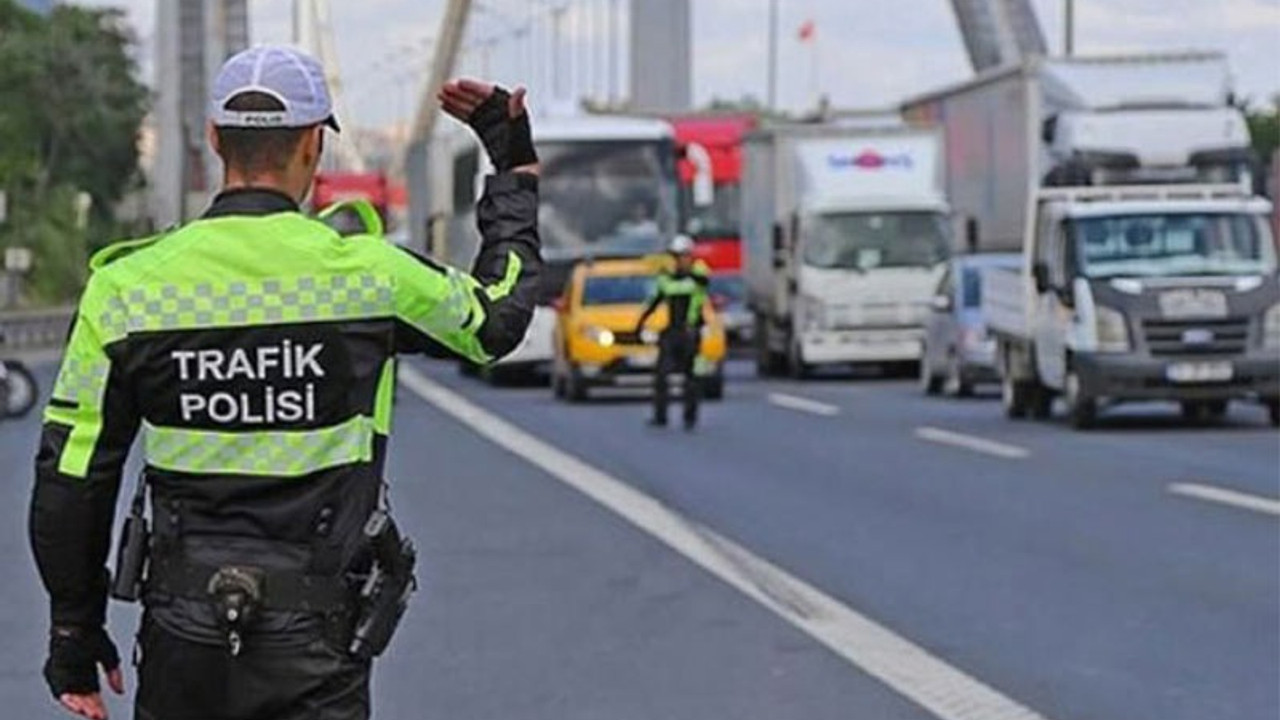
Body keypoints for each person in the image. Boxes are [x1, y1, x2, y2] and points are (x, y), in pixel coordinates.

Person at [28, 45, 541, 720]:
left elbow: (71, 477)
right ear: (312, 145)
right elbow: (495, 320)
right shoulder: (370, 278)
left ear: (215, 140)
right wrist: (513, 173)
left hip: (183, 636)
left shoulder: (127, 289)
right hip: (318, 638)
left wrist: (74, 630)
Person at [635, 235, 710, 430]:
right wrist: (640, 324)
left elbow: (703, 280)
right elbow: (654, 302)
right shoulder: (666, 279)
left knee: (692, 378)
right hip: (672, 332)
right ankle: (660, 416)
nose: (680, 260)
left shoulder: (698, 275)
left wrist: (685, 273)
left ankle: (690, 417)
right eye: (677, 256)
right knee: (661, 375)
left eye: (684, 256)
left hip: (691, 332)